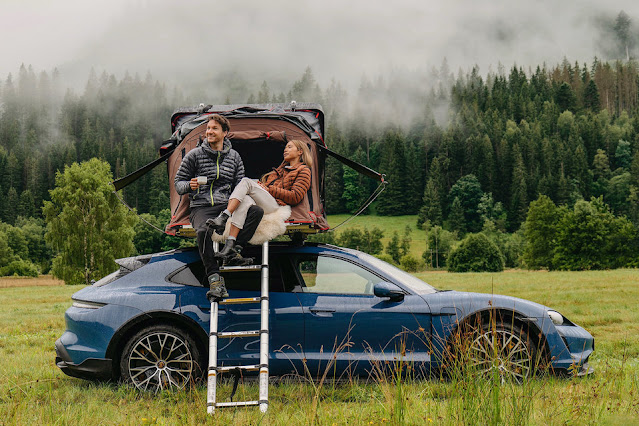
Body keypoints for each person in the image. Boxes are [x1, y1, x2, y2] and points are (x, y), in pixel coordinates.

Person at [174, 114, 264, 299]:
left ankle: (234, 251)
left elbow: (240, 185)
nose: (209, 132)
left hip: (226, 204)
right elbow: (178, 184)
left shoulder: (234, 157)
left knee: (256, 211)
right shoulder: (194, 155)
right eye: (208, 128)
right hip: (201, 205)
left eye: (214, 128)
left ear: (225, 133)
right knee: (202, 231)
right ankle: (215, 280)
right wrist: (189, 185)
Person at [207, 139, 312, 260]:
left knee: (246, 181)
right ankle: (230, 245)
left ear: (300, 152)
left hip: (276, 205)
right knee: (245, 199)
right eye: (285, 147)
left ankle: (224, 217)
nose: (285, 150)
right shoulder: (277, 171)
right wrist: (263, 186)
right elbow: (264, 189)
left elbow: (295, 196)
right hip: (264, 201)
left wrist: (268, 189)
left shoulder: (303, 171)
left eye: (289, 147)